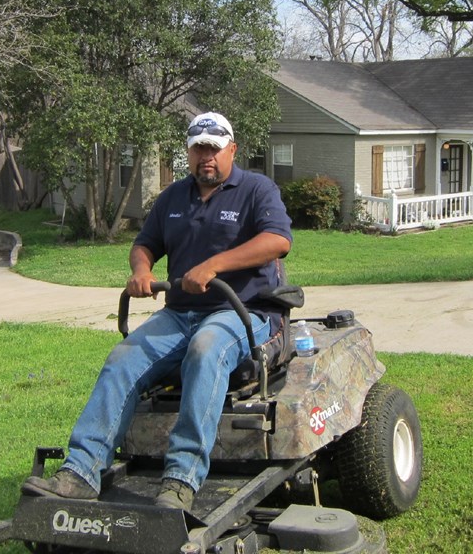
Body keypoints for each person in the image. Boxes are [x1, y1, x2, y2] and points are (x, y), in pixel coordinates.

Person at [22, 112, 293, 512]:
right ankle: (81, 472)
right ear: (188, 152)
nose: (206, 157)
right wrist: (141, 271)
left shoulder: (256, 189)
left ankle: (181, 479)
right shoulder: (172, 198)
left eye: (214, 149)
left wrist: (213, 266)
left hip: (243, 311)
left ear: (232, 150)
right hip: (180, 313)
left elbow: (277, 241)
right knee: (123, 358)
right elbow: (145, 245)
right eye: (198, 149)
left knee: (206, 349)